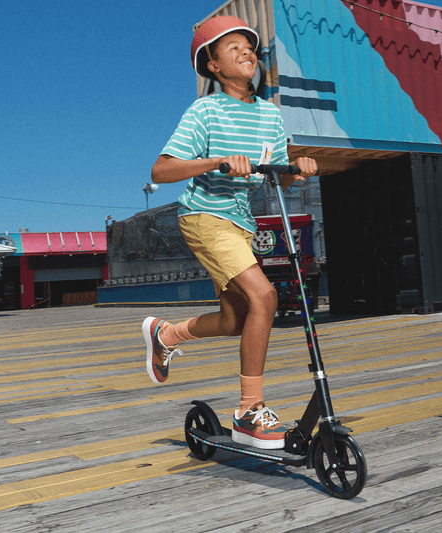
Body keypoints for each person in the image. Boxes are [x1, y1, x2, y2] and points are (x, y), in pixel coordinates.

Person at [142, 15, 318, 450]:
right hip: (204, 215)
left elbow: (275, 172)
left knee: (235, 320)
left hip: (240, 224)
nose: (246, 52)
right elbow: (161, 170)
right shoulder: (206, 110)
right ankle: (248, 411)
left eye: (249, 46)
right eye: (232, 47)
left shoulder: (270, 118)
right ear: (213, 66)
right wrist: (217, 160)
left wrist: (299, 170)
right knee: (266, 297)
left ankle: (166, 335)